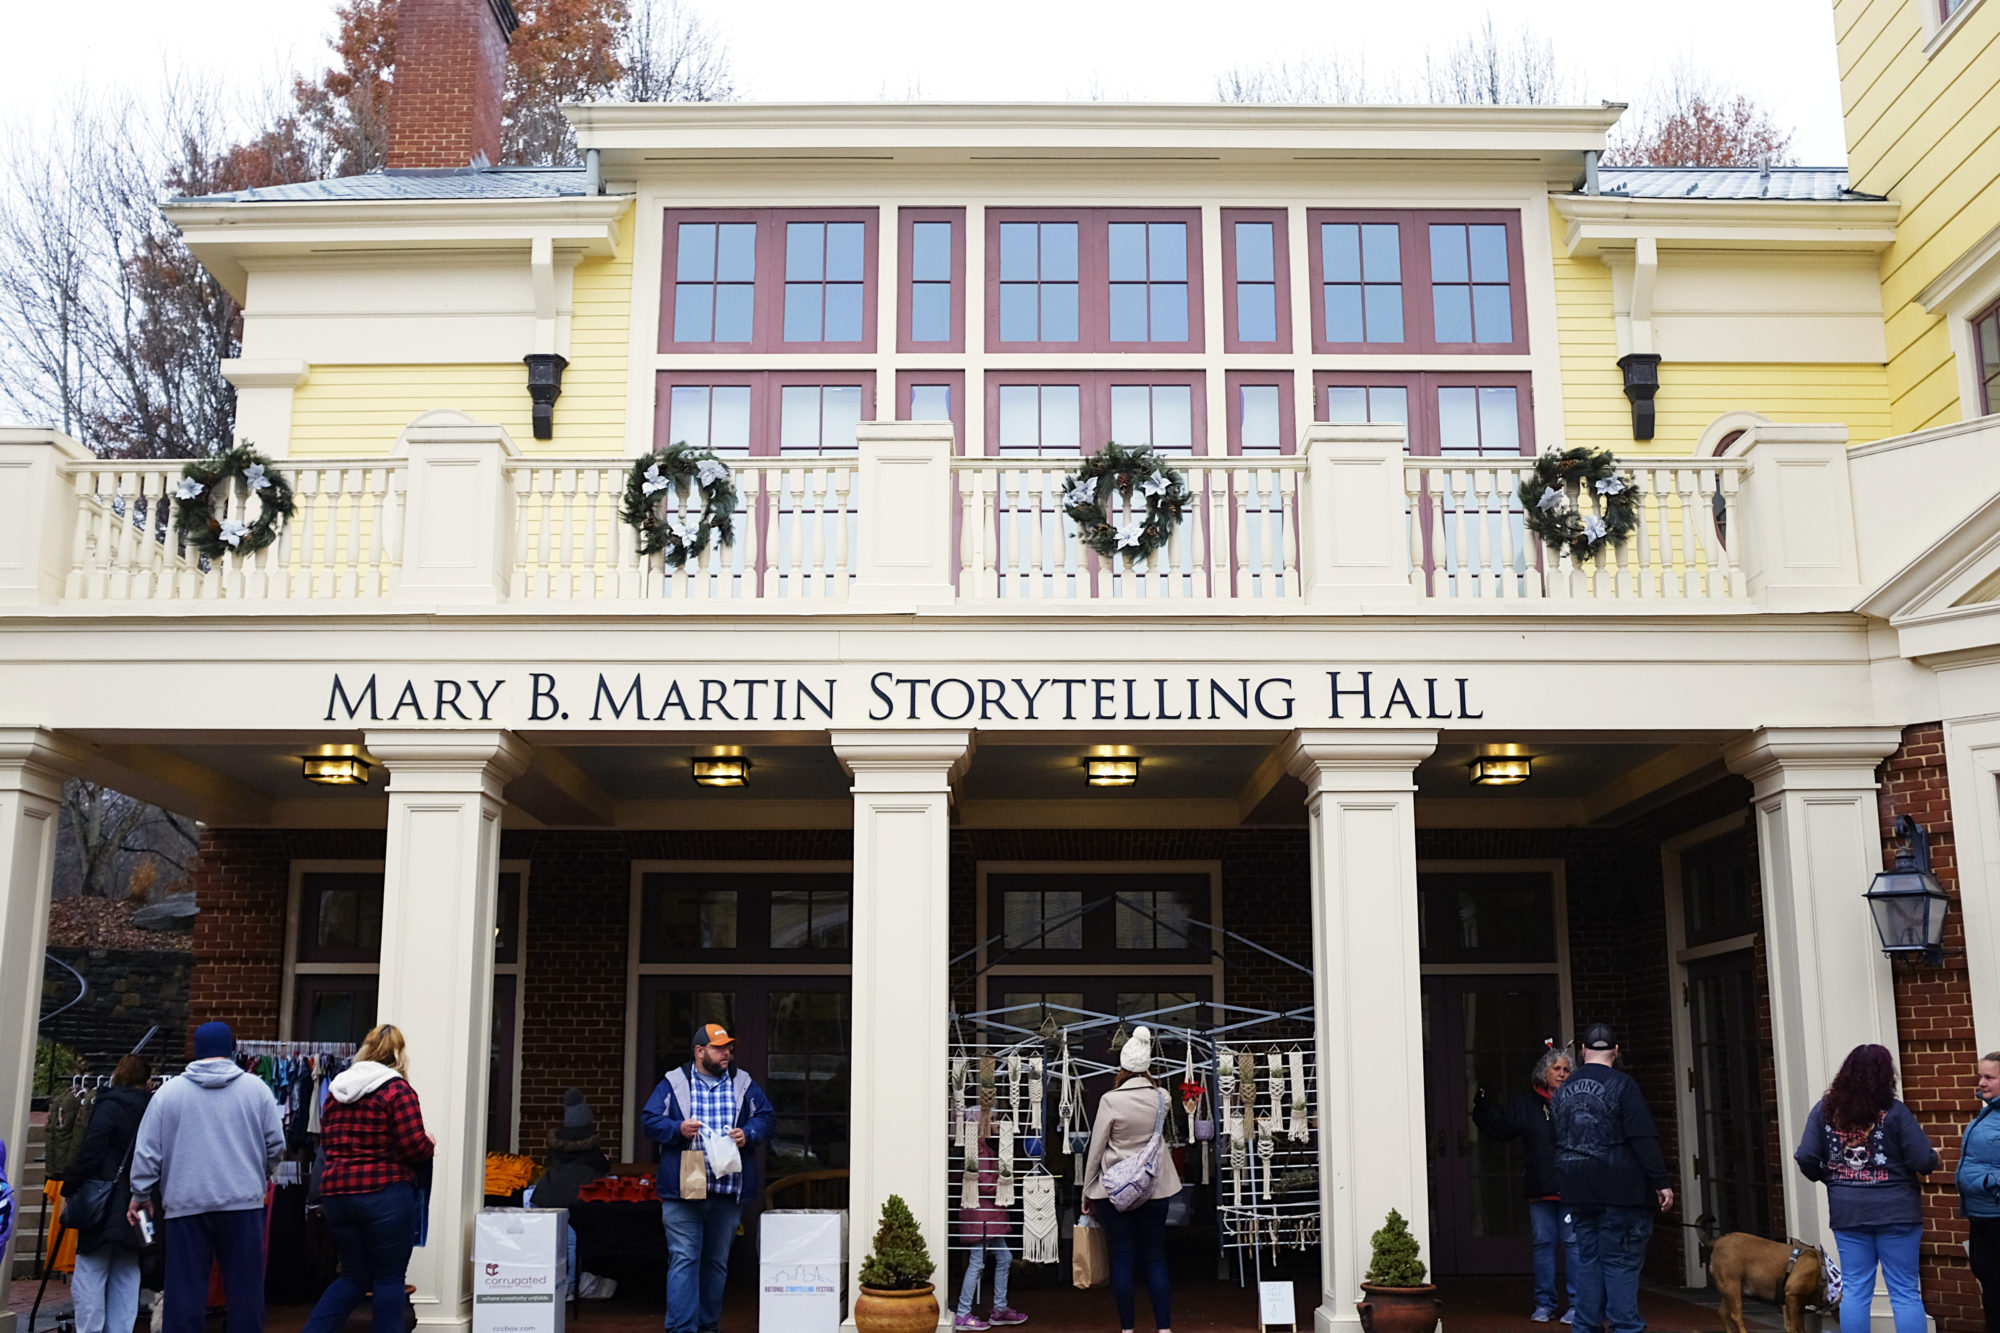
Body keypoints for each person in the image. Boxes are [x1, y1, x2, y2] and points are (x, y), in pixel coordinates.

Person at [128, 1020, 285, 1333]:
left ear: (195, 1052)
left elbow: (147, 1152)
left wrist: (140, 1194)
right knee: (245, 1292)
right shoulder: (257, 1091)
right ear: (231, 1049)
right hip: (243, 1203)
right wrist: (261, 1173)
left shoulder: (167, 1094)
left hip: (186, 1204)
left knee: (184, 1292)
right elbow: (276, 1145)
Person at [640, 1022, 777, 1333]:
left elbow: (765, 1117)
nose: (726, 1052)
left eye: (728, 1047)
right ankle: (682, 1330)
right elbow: (649, 1120)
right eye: (719, 1048)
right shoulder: (674, 1082)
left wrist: (749, 1134)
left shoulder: (743, 1082)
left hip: (728, 1186)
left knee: (716, 1263)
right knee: (685, 1259)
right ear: (700, 1051)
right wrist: (677, 1129)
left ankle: (708, 1327)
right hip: (688, 1178)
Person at [301, 1023, 436, 1333]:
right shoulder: (397, 1090)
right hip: (384, 1193)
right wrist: (431, 1142)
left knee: (353, 1276)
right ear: (399, 1055)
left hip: (337, 1194)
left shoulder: (335, 1093)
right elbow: (414, 1146)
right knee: (389, 1278)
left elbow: (329, 1145)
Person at [1797, 1043, 1938, 1333]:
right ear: (1887, 1074)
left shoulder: (1825, 1111)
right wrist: (1934, 1158)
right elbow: (1922, 1160)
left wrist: (1831, 1178)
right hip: (1898, 1212)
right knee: (1905, 1292)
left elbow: (1806, 1156)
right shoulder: (1895, 1112)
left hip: (1849, 1212)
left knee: (1856, 1290)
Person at [1551, 1024, 1673, 1333]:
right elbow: (1642, 1136)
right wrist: (1661, 1181)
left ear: (1582, 1050)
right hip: (1621, 1191)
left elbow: (1558, 1136)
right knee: (1620, 1262)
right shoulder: (1624, 1085)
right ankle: (1626, 1328)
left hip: (1577, 1188)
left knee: (1589, 1260)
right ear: (1616, 1052)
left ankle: (1586, 1327)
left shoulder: (1562, 1090)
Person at [1082, 1026, 1180, 1333]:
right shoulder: (1162, 1097)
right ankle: (1164, 1328)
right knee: (1155, 1257)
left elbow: (1096, 1148)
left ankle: (1127, 1329)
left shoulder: (1111, 1100)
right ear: (1148, 1066)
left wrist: (1087, 1190)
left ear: (1122, 1067)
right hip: (1155, 1186)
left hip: (1116, 1189)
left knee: (1122, 1257)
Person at [1475, 1046, 1580, 1323]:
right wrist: (1481, 1108)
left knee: (1574, 1244)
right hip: (1540, 1185)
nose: (1561, 1073)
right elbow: (1501, 1129)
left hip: (1572, 1185)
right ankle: (1544, 1304)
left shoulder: (1579, 1101)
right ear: (1543, 1072)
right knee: (1544, 1244)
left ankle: (1577, 1305)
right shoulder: (1526, 1103)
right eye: (1555, 1068)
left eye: (1566, 1069)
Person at [68, 1055, 152, 1333]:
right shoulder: (153, 1107)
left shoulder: (109, 1105)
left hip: (103, 1199)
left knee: (92, 1269)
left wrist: (71, 1185)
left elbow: (91, 1150)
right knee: (128, 1269)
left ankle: (89, 1330)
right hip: (143, 1201)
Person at [536, 1088, 613, 1300]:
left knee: (549, 1247)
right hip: (577, 1203)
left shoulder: (556, 1147)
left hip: (546, 1198)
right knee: (572, 1246)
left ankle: (548, 1287)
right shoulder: (592, 1150)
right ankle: (569, 1289)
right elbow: (602, 1169)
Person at [952, 1117, 1028, 1330]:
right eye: (993, 1118)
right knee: (978, 1262)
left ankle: (999, 1309)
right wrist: (1007, 1182)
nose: (998, 1122)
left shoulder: (981, 1147)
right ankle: (963, 1313)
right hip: (982, 1216)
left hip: (987, 1216)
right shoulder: (979, 1149)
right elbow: (983, 1183)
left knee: (1004, 1258)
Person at [1958, 1053, 2000, 1333]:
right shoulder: (1988, 1113)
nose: (1981, 1082)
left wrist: (1989, 1182)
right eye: (1980, 1076)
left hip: (1997, 1216)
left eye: (1989, 1077)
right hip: (1980, 1216)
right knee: (1990, 1286)